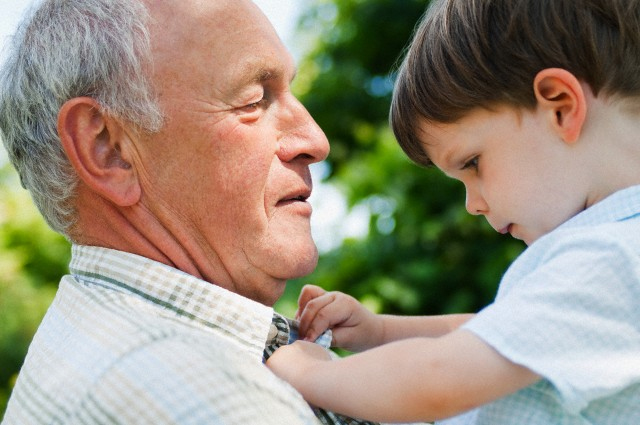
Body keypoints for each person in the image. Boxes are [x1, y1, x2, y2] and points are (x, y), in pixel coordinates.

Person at [0, 1, 383, 424]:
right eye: (254, 100)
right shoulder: (212, 401)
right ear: (108, 149)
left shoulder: (87, 339)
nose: (315, 139)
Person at [266, 0, 640, 423]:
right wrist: (381, 332)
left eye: (472, 163)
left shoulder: (612, 257)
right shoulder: (615, 257)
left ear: (560, 106)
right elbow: (494, 334)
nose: (472, 204)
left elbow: (440, 379)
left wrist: (306, 371)